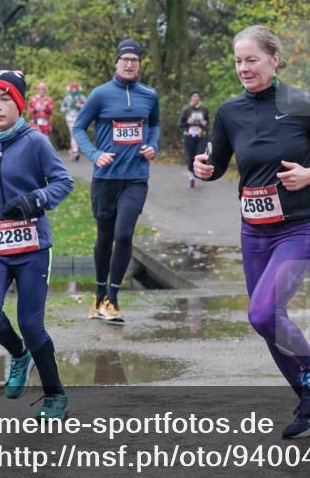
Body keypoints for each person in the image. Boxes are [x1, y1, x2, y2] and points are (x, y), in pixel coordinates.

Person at [193, 25, 310, 440]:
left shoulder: (303, 105)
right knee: (267, 322)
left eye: (252, 60)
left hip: (299, 229)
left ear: (274, 59)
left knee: (263, 312)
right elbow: (220, 163)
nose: (243, 68)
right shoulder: (230, 112)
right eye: (238, 61)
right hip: (255, 231)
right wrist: (205, 169)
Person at [0, 70, 75, 419]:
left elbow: (63, 182)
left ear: (19, 103)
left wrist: (35, 200)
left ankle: (55, 395)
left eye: (4, 99)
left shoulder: (35, 140)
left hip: (33, 246)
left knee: (31, 323)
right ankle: (19, 354)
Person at [72, 39, 159, 323]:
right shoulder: (100, 95)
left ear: (140, 64)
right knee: (104, 237)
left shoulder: (149, 95)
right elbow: (79, 127)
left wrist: (152, 146)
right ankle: (98, 296)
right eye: (125, 59)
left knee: (124, 234)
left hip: (136, 178)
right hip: (105, 179)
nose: (130, 64)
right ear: (117, 62)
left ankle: (113, 297)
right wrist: (94, 154)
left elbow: (155, 124)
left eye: (135, 59)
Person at [178, 89, 209, 188]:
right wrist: (188, 122)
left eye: (197, 96)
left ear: (199, 98)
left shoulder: (204, 109)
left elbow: (207, 123)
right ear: (191, 98)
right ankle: (191, 177)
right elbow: (180, 125)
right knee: (191, 157)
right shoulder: (186, 109)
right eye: (194, 96)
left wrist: (205, 124)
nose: (196, 98)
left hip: (201, 136)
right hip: (190, 136)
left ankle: (200, 173)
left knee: (200, 155)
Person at [61, 82, 87, 161]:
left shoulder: (81, 97)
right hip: (70, 118)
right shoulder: (67, 98)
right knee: (73, 133)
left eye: (75, 89)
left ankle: (73, 151)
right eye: (73, 89)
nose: (74, 90)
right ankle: (75, 151)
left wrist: (80, 106)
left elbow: (87, 106)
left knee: (77, 134)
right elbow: (62, 108)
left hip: (79, 117)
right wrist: (67, 109)